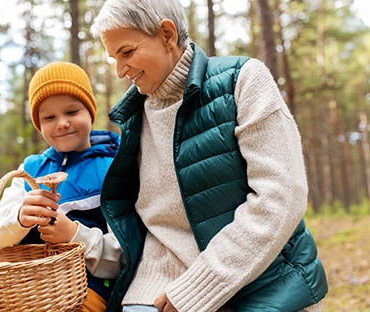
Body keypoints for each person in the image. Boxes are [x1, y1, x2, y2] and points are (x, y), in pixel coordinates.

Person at [89, 1, 328, 311]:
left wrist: (197, 290)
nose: (120, 71)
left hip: (261, 281)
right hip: (154, 286)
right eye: (113, 58)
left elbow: (281, 195)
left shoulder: (242, 80)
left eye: (127, 52)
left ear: (166, 35)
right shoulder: (132, 117)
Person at [0, 61, 124, 312]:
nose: (62, 123)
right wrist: (19, 218)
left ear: (90, 111)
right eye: (49, 117)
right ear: (39, 124)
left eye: (72, 112)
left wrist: (75, 235)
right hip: (25, 287)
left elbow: (122, 257)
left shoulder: (113, 169)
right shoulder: (29, 170)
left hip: (86, 291)